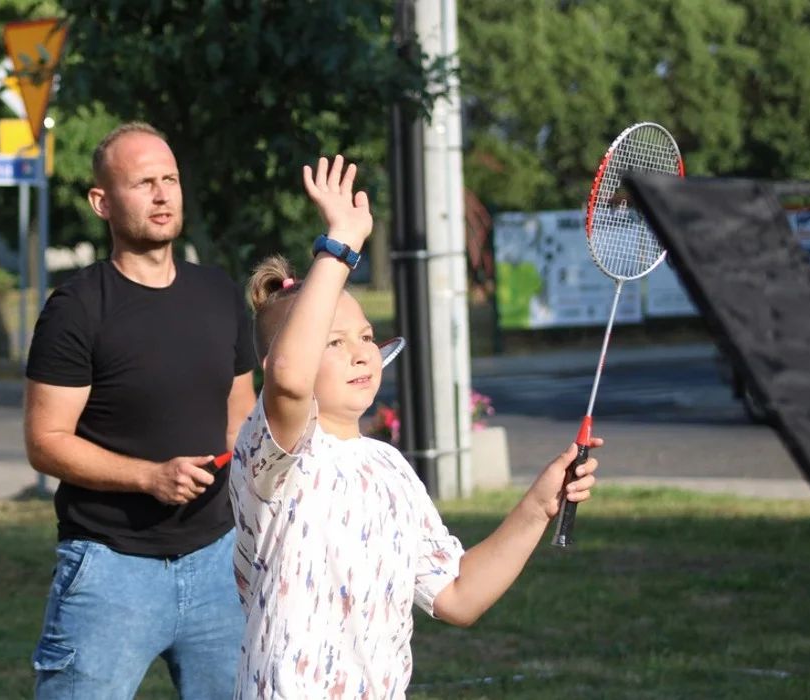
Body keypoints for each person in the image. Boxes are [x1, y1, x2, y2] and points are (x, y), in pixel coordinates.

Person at [228, 154, 601, 699]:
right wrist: (341, 243)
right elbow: (288, 377)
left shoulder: (390, 467)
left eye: (365, 335)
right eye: (333, 341)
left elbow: (458, 597)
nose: (361, 353)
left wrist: (538, 506)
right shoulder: (276, 455)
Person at [23, 121, 258, 699]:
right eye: (143, 182)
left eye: (170, 179)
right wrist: (148, 477)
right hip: (110, 569)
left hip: (218, 564)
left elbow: (241, 417)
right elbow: (46, 441)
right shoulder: (76, 308)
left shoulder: (218, 294)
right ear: (102, 202)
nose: (162, 194)